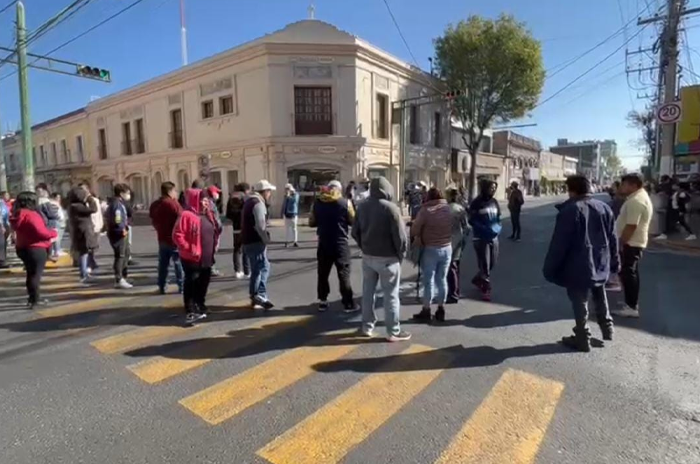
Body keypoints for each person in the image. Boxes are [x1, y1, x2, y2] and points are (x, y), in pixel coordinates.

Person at [543, 175, 619, 352]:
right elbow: (613, 239)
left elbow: (559, 244)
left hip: (578, 263)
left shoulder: (570, 211)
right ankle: (607, 328)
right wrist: (614, 262)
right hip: (600, 260)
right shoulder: (604, 208)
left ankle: (582, 336)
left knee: (579, 299)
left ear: (572, 190)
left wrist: (550, 268)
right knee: (600, 292)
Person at [352, 176, 411, 342]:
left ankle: (366, 327)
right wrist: (401, 255)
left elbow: (354, 232)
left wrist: (364, 247)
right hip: (388, 258)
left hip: (368, 256)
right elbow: (400, 237)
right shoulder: (391, 208)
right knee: (391, 295)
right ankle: (393, 331)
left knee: (368, 293)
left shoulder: (362, 207)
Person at [173, 188, 221, 326]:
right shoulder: (186, 215)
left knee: (204, 280)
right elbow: (177, 235)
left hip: (206, 255)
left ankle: (201, 303)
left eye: (207, 200)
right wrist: (189, 248)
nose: (206, 203)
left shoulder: (208, 214)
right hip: (192, 257)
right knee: (192, 282)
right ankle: (190, 309)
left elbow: (215, 230)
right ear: (195, 200)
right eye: (203, 200)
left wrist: (215, 243)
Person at [308, 180, 357, 312]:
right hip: (340, 243)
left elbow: (311, 222)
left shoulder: (317, 203)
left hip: (324, 242)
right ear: (339, 190)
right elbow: (353, 220)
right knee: (344, 273)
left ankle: (323, 301)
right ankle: (348, 303)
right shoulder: (345, 203)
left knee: (323, 273)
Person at [611, 173, 654, 319]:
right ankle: (631, 303)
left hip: (631, 242)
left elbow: (631, 225)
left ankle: (631, 306)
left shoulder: (636, 201)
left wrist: (622, 242)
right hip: (633, 242)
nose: (622, 187)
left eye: (625, 184)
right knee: (630, 273)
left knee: (628, 273)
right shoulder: (637, 197)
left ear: (633, 185)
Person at [411, 188, 453, 323]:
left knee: (428, 281)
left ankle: (426, 309)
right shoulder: (448, 209)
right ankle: (441, 309)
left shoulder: (425, 211)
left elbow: (415, 229)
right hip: (447, 247)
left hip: (430, 249)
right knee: (442, 279)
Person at [11, 192, 58, 308]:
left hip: (22, 247)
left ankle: (32, 298)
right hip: (36, 247)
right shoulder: (32, 215)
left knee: (30, 274)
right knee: (35, 275)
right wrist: (52, 233)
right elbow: (41, 232)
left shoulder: (17, 214)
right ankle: (35, 300)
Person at [242, 180, 276, 309]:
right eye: (269, 191)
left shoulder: (248, 202)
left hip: (247, 240)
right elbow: (260, 226)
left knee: (256, 269)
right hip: (256, 241)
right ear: (265, 192)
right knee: (263, 267)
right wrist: (266, 239)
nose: (270, 194)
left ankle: (254, 295)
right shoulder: (258, 204)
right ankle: (260, 294)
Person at [468, 179, 502, 301]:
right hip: (481, 238)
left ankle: (478, 278)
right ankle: (486, 289)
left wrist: (498, 228)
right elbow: (471, 220)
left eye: (494, 188)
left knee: (492, 262)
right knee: (485, 264)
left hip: (494, 237)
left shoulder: (494, 202)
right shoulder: (476, 203)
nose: (493, 190)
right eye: (491, 187)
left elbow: (498, 218)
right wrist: (483, 229)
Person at [150, 181, 184, 294]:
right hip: (174, 239)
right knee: (178, 263)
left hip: (162, 238)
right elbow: (182, 218)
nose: (176, 193)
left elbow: (153, 220)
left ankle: (162, 285)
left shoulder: (155, 204)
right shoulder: (173, 204)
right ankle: (182, 285)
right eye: (175, 191)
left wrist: (159, 228)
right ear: (170, 191)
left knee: (163, 264)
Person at [105, 184, 133, 289]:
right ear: (121, 193)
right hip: (118, 233)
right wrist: (122, 230)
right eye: (128, 193)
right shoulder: (116, 204)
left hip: (120, 232)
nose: (129, 195)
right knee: (120, 256)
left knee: (125, 254)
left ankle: (123, 277)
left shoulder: (119, 203)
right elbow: (117, 219)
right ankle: (119, 278)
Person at [68, 186, 98, 283]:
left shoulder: (73, 206)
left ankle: (84, 272)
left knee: (84, 253)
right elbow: (94, 209)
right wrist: (90, 199)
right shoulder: (77, 206)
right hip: (83, 232)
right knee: (83, 253)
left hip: (81, 231)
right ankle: (83, 274)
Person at [446, 188, 469, 304]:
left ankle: (453, 294)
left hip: (449, 241)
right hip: (459, 241)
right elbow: (467, 227)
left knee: (451, 269)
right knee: (456, 267)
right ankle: (456, 292)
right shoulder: (461, 209)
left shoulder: (447, 209)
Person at [226, 182, 251, 279]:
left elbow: (228, 214)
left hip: (235, 227)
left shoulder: (231, 198)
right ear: (245, 190)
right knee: (246, 250)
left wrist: (235, 220)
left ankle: (237, 271)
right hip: (245, 227)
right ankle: (247, 271)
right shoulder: (246, 198)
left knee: (236, 249)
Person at [206, 185, 224, 277]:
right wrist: (219, 228)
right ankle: (211, 269)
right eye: (216, 192)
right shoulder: (210, 204)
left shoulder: (209, 202)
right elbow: (215, 218)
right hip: (212, 230)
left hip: (210, 230)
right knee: (211, 250)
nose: (218, 194)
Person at [48, 193, 66, 259]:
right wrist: (59, 218)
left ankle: (57, 250)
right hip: (57, 222)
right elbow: (55, 213)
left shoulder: (55, 203)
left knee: (57, 237)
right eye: (58, 197)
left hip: (58, 222)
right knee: (56, 238)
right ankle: (56, 250)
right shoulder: (53, 203)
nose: (59, 199)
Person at [281, 184, 300, 248]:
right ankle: (286, 241)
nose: (286, 190)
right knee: (287, 229)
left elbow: (294, 201)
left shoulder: (295, 195)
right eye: (286, 189)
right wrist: (282, 212)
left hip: (293, 214)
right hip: (286, 214)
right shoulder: (286, 196)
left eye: (287, 189)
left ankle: (295, 241)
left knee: (294, 229)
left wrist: (289, 196)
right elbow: (284, 204)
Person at [0, 191, 10, 269]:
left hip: (5, 224)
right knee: (1, 242)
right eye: (6, 195)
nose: (8, 196)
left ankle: (3, 259)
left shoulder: (4, 204)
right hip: (1, 224)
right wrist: (1, 225)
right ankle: (2, 261)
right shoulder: (1, 203)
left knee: (3, 242)